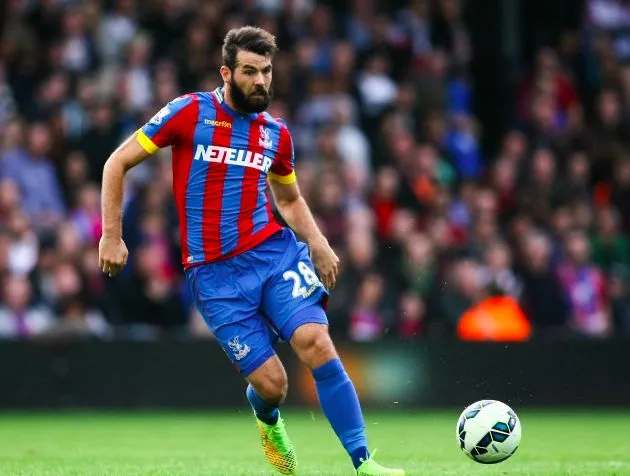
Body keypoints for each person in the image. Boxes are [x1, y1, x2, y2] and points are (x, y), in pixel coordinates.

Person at [98, 26, 405, 476]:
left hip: (272, 254)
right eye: (249, 72)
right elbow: (116, 163)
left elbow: (290, 199)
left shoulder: (274, 134)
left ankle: (364, 462)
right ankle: (267, 417)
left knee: (316, 343)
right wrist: (111, 235)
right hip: (214, 274)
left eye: (266, 71)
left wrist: (317, 243)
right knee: (274, 385)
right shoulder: (189, 113)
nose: (261, 81)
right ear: (226, 72)